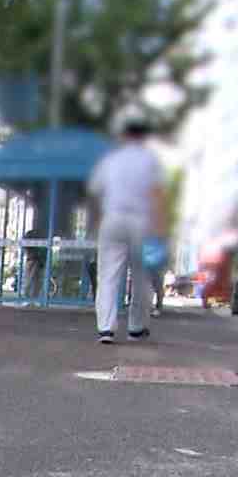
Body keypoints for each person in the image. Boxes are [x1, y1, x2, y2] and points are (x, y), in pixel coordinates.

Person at [86, 118, 166, 344]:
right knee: (142, 277)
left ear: (124, 136)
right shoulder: (151, 160)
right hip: (142, 222)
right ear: (144, 137)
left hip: (113, 219)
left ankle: (106, 329)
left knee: (108, 276)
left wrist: (97, 224)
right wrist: (160, 228)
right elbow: (158, 195)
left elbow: (96, 193)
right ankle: (136, 328)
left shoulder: (110, 160)